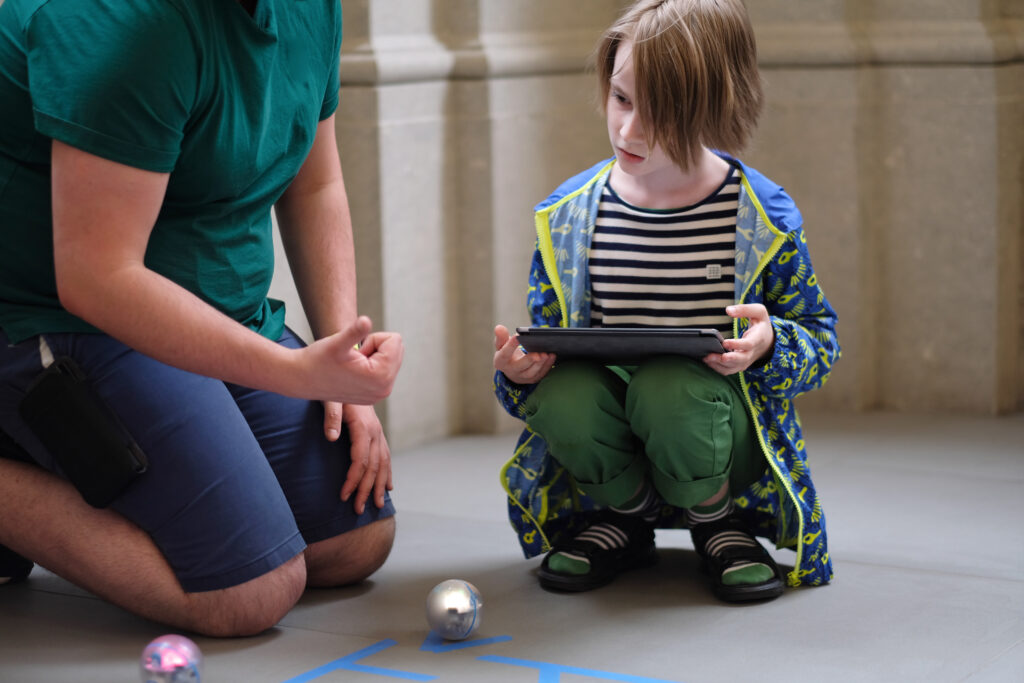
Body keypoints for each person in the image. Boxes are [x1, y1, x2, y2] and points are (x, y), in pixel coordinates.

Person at [0, 0, 404, 635]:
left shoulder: (313, 9)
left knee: (354, 538)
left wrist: (338, 362)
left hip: (214, 310)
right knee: (250, 590)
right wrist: (296, 373)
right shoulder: (122, 23)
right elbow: (96, 278)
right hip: (61, 317)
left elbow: (313, 184)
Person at [493, 0, 839, 602]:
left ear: (713, 105)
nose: (629, 130)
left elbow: (821, 339)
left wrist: (770, 342)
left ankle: (716, 520)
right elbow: (546, 344)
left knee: (668, 384)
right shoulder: (568, 215)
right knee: (563, 392)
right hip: (611, 434)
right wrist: (520, 373)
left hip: (717, 431)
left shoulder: (759, 216)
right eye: (622, 99)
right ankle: (627, 516)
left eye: (658, 112)